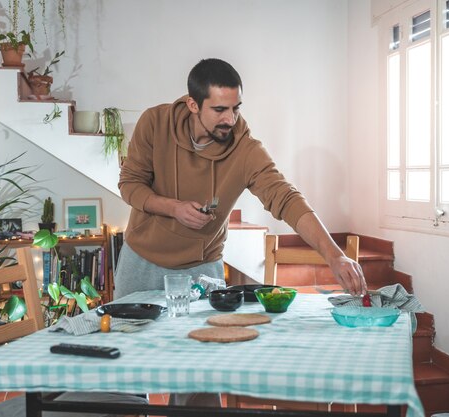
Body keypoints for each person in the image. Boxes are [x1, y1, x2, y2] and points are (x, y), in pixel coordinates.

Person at [115, 57, 367, 407]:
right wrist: (173, 207)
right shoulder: (154, 124)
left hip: (200, 269)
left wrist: (334, 254)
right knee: (124, 363)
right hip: (141, 260)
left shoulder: (245, 149)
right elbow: (129, 185)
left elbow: (286, 198)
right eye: (219, 109)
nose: (230, 119)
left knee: (199, 374)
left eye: (235, 108)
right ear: (192, 104)